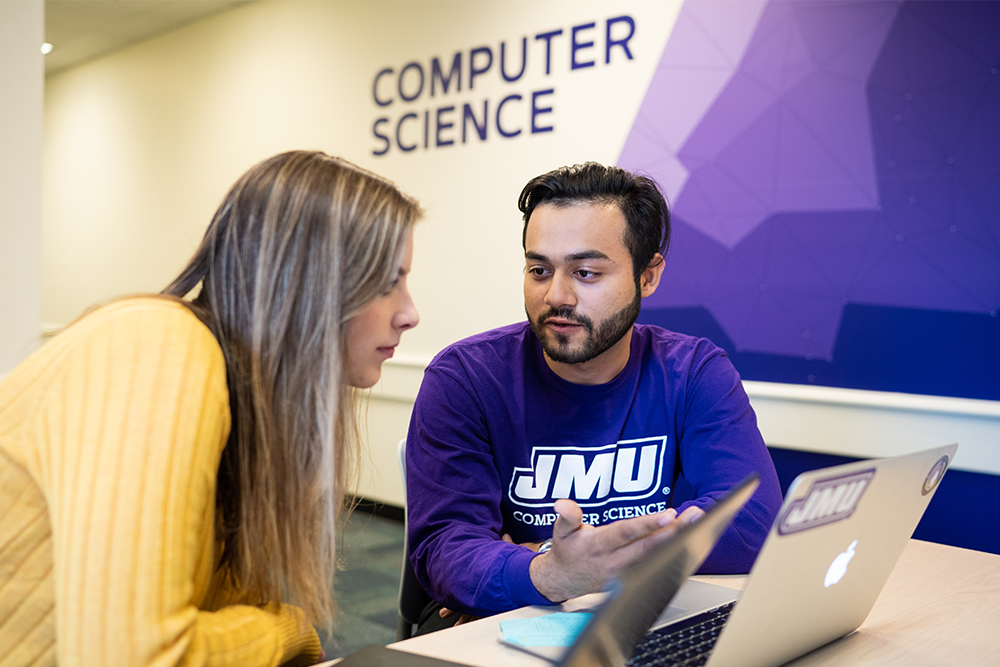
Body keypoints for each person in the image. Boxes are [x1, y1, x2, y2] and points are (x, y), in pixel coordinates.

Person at [0, 151, 420, 666]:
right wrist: (288, 629)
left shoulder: (245, 406)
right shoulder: (161, 348)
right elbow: (134, 657)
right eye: (386, 282)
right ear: (308, 285)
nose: (410, 313)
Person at [405, 162, 782, 626]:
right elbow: (445, 549)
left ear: (648, 276)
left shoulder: (694, 371)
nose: (557, 296)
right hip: (509, 616)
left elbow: (750, 522)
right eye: (539, 269)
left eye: (585, 272)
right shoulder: (465, 377)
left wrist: (552, 559)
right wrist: (549, 573)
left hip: (623, 610)